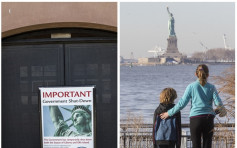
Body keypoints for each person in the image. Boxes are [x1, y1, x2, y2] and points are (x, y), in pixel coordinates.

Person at [160, 64, 227, 148]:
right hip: (208, 119)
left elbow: (182, 103)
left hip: (195, 119)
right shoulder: (212, 87)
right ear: (208, 75)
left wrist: (169, 113)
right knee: (207, 145)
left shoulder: (191, 86)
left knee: (196, 145)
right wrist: (223, 112)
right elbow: (218, 103)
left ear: (196, 74)